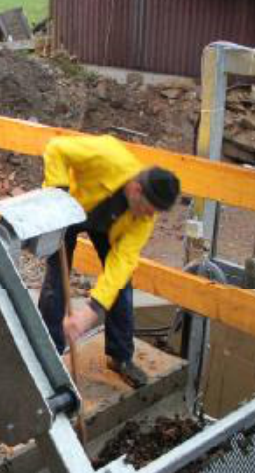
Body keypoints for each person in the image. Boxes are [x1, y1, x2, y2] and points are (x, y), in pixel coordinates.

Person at [38, 135, 181, 388]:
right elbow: (56, 148)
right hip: (70, 207)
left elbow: (122, 263)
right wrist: (57, 195)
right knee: (56, 281)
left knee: (121, 284)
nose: (151, 216)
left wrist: (93, 309)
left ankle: (120, 356)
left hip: (109, 226)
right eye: (149, 209)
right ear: (137, 190)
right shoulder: (107, 155)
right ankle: (49, 356)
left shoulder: (144, 218)